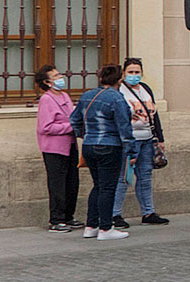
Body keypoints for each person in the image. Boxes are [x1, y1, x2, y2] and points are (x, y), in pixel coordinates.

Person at [72, 65, 133, 240]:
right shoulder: (117, 98)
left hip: (89, 145)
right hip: (109, 145)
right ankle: (106, 228)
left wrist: (84, 135)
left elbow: (74, 120)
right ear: (119, 80)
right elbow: (124, 127)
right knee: (107, 187)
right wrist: (132, 150)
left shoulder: (87, 95)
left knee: (98, 186)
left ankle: (91, 226)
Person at [114, 56, 168, 227]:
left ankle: (148, 212)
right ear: (123, 73)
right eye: (130, 72)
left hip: (147, 140)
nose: (134, 75)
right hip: (130, 141)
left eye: (137, 72)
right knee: (124, 178)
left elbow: (155, 115)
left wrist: (159, 138)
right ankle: (115, 214)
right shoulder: (119, 91)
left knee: (145, 176)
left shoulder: (145, 89)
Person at [35, 64, 79, 232]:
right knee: (57, 184)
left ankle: (69, 216)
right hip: (54, 149)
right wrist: (69, 127)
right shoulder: (46, 99)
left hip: (71, 145)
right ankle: (56, 219)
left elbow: (73, 116)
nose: (61, 78)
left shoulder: (65, 96)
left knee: (72, 182)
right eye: (56, 76)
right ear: (47, 82)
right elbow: (45, 127)